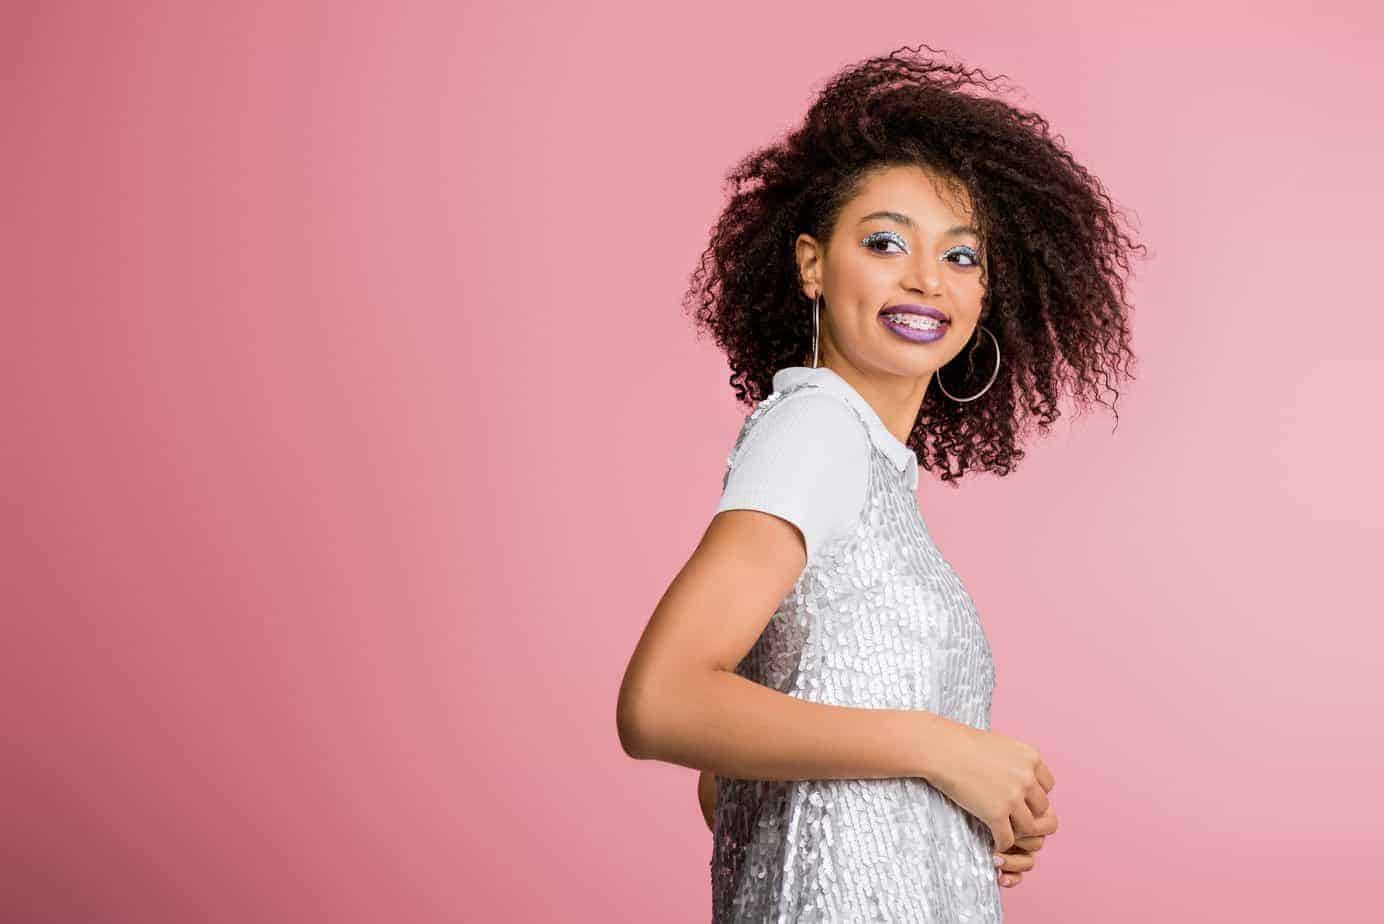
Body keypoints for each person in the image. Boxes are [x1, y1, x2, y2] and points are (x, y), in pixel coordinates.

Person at [617, 43, 1143, 922]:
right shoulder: (815, 426)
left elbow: (731, 788)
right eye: (886, 241)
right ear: (812, 265)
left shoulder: (865, 466)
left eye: (962, 257)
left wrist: (947, 812)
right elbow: (661, 702)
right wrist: (940, 752)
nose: (926, 278)